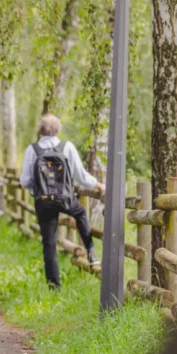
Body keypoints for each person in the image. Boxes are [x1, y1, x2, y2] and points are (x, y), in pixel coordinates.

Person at [19, 114, 104, 289]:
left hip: (43, 202)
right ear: (58, 131)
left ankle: (54, 286)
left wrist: (38, 189)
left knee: (49, 243)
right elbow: (80, 176)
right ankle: (91, 252)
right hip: (65, 198)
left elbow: (25, 181)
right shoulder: (67, 147)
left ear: (40, 131)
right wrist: (98, 185)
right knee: (80, 214)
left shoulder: (32, 150)